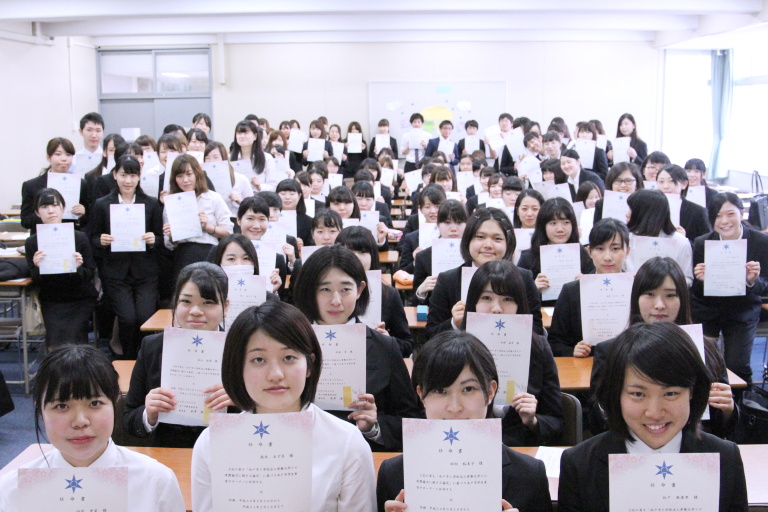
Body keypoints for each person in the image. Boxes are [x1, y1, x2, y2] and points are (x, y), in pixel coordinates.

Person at [191, 301, 376, 511]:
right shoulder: (211, 443)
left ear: (309, 365)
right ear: (238, 367)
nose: (276, 375)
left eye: (289, 358)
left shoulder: (347, 443)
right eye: (259, 360)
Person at [559, 322, 747, 512]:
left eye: (671, 394)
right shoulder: (579, 464)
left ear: (692, 392)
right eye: (638, 395)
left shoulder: (725, 458)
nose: (655, 413)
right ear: (617, 395)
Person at [377, 330, 553, 512]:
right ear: (421, 394)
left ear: (491, 391)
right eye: (440, 391)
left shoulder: (530, 475)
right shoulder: (392, 474)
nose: (454, 407)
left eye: (468, 389)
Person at [0, 345, 185, 511]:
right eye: (62, 406)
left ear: (115, 403)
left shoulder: (155, 481)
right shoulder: (11, 489)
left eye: (95, 403)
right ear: (40, 411)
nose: (80, 421)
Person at [590, 257, 738, 440]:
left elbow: (721, 428)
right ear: (636, 298)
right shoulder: (611, 350)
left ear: (682, 299)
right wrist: (609, 402)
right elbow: (596, 423)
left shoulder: (707, 349)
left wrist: (728, 408)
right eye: (650, 294)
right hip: (630, 450)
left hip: (694, 450)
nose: (659, 305)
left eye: (670, 295)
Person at [292, 245, 422, 451]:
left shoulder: (384, 347)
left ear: (360, 290)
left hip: (362, 455)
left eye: (345, 289)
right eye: (325, 289)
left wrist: (374, 426)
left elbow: (411, 420)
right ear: (310, 291)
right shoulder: (289, 346)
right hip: (299, 454)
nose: (336, 301)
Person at [123, 262, 233, 447]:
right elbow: (128, 419)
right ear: (175, 302)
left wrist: (241, 401)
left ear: (226, 306)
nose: (196, 311)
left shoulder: (240, 350)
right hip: (169, 449)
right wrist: (149, 414)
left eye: (208, 302)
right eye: (186, 301)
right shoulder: (152, 347)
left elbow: (265, 413)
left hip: (227, 450)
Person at [461, 261, 564, 446]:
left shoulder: (538, 349)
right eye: (486, 298)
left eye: (507, 299)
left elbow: (556, 423)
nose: (496, 308)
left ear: (520, 304)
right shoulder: (453, 350)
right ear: (473, 303)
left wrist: (532, 421)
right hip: (467, 446)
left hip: (521, 449)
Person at [426, 207, 544, 338]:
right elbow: (430, 334)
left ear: (508, 243)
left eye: (497, 239)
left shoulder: (524, 278)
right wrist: (454, 323)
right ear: (468, 240)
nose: (488, 245)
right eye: (480, 237)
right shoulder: (448, 280)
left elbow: (538, 330)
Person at [90, 155, 163, 359]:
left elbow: (161, 239)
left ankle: (145, 359)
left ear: (139, 177)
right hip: (116, 273)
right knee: (128, 319)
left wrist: (153, 239)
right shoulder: (102, 205)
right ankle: (128, 359)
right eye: (123, 175)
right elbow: (92, 239)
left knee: (145, 318)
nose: (128, 181)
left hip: (145, 273)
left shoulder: (151, 204)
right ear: (115, 175)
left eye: (132, 175)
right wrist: (100, 240)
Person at [692, 192, 768, 384]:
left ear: (741, 213)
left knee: (738, 365)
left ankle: (740, 408)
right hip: (708, 309)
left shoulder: (760, 242)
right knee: (702, 362)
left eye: (730, 214)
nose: (724, 221)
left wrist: (752, 280)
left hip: (742, 309)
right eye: (717, 216)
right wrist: (700, 280)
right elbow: (697, 292)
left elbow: (765, 285)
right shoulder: (702, 243)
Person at [547, 218, 631, 356]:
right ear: (589, 251)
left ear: (627, 251)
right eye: (600, 249)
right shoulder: (572, 291)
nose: (607, 257)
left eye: (615, 249)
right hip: (584, 368)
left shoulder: (638, 289)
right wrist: (572, 351)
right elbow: (555, 343)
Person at [25, 188, 97, 348]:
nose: (51, 211)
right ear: (37, 212)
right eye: (44, 207)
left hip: (80, 298)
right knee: (56, 344)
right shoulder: (32, 242)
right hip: (52, 299)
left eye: (55, 206)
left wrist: (77, 268)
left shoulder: (80, 237)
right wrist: (37, 267)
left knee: (75, 343)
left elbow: (89, 273)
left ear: (63, 208)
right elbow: (36, 281)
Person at [337, 226, 413, 357]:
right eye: (348, 251)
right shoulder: (324, 293)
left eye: (362, 251)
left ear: (373, 256)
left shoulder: (388, 295)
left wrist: (389, 341)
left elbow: (407, 344)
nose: (355, 257)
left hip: (375, 364)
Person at [162, 154, 234, 282]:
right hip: (183, 255)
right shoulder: (172, 202)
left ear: (197, 173)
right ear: (174, 179)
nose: (185, 180)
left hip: (209, 252)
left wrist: (208, 227)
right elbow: (169, 244)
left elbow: (228, 232)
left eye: (189, 174)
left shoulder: (213, 198)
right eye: (180, 176)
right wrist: (172, 236)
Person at [517, 198, 595, 305]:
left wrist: (587, 283)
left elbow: (595, 295)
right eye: (553, 223)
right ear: (543, 226)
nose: (560, 229)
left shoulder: (583, 254)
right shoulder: (528, 257)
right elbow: (515, 296)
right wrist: (533, 288)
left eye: (566, 222)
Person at [21, 137, 90, 233]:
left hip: (71, 236)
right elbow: (25, 220)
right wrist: (47, 216)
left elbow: (89, 220)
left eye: (68, 155)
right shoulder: (31, 185)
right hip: (41, 237)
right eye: (58, 154)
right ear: (48, 157)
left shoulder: (81, 183)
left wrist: (83, 213)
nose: (64, 159)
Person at [625, 189, 693, 285]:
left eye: (631, 209)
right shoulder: (627, 238)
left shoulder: (680, 242)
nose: (627, 214)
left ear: (645, 213)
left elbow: (688, 279)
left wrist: (665, 282)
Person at [414, 199, 467, 301]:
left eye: (459, 222)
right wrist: (421, 291)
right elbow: (414, 303)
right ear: (438, 224)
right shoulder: (423, 257)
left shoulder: (475, 255)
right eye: (447, 222)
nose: (453, 228)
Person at [656, 163, 711, 244]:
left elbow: (705, 246)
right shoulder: (651, 207)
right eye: (661, 182)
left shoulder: (698, 212)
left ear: (684, 184)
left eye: (671, 181)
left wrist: (685, 240)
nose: (665, 186)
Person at [204, 141, 252, 222]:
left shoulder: (240, 179)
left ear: (223, 157)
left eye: (215, 157)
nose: (211, 161)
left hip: (234, 219)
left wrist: (239, 201)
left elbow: (252, 206)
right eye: (207, 158)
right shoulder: (201, 181)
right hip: (210, 220)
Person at [229, 120, 276, 192]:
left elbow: (273, 186)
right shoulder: (229, 158)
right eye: (239, 133)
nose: (242, 136)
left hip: (259, 199)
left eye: (246, 133)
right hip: (235, 200)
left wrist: (260, 186)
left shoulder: (267, 158)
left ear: (255, 136)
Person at [276, 178, 313, 244]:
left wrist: (302, 247)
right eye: (283, 193)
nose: (287, 197)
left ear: (299, 196)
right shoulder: (270, 219)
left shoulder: (309, 222)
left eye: (292, 194)